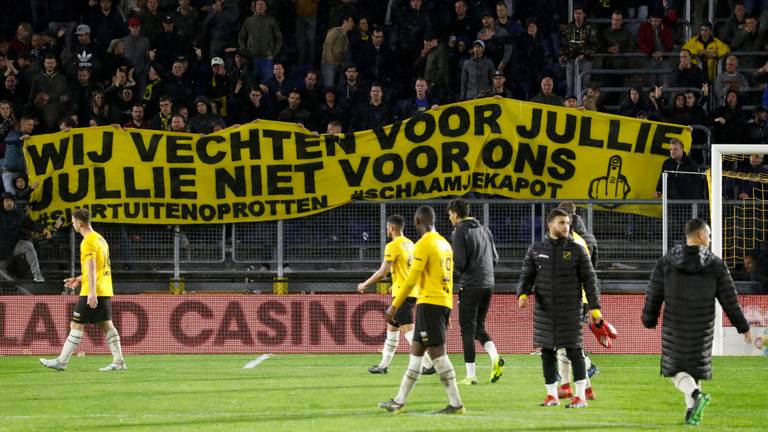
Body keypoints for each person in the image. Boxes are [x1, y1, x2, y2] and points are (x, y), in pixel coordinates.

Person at [642, 218, 752, 425]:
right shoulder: (716, 264)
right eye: (709, 235)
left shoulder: (667, 262)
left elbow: (654, 292)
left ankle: (695, 395)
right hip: (703, 327)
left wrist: (649, 318)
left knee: (675, 371)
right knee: (694, 368)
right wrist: (742, 325)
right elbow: (729, 298)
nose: (709, 239)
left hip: (675, 325)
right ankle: (691, 413)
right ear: (701, 235)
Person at [379, 206, 464, 415]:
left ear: (417, 222)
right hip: (441, 302)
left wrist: (394, 304)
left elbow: (411, 280)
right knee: (416, 353)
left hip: (430, 304)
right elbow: (449, 278)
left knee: (438, 355)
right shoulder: (445, 243)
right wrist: (449, 310)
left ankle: (456, 404)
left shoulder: (423, 244)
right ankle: (399, 401)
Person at [517, 208, 601, 408]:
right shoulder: (536, 250)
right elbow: (526, 275)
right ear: (550, 225)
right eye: (562, 222)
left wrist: (595, 307)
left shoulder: (577, 250)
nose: (566, 226)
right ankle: (552, 395)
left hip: (570, 310)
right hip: (545, 312)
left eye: (568, 223)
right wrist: (522, 293)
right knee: (547, 352)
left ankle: (580, 396)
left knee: (574, 351)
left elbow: (590, 280)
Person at [40, 208, 126, 372]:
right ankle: (118, 360)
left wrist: (91, 291)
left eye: (73, 222)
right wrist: (79, 279)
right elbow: (100, 267)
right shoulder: (100, 239)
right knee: (106, 324)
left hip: (93, 290)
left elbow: (92, 265)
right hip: (105, 288)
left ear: (79, 223)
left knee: (76, 324)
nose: (72, 225)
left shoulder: (87, 241)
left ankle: (61, 361)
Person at [358, 214, 429, 374]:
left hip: (403, 293)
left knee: (409, 331)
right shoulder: (410, 244)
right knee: (392, 328)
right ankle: (383, 366)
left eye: (387, 227)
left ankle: (429, 364)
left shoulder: (393, 246)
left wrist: (365, 284)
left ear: (392, 228)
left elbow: (382, 273)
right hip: (410, 291)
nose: (386, 230)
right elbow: (409, 270)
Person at [447, 198, 503, 385]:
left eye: (449, 215)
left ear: (455, 214)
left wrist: (450, 273)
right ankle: (495, 357)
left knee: (467, 331)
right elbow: (495, 258)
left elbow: (460, 263)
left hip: (470, 286)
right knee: (479, 327)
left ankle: (471, 376)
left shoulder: (459, 233)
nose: (450, 218)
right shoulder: (484, 230)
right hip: (489, 284)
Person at [0, 192, 44, 282]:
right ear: (2, 202)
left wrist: (42, 230)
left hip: (12, 247)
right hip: (1, 254)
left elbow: (29, 223)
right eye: (7, 200)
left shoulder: (17, 214)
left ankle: (38, 276)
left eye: (11, 201)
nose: (9, 203)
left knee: (28, 245)